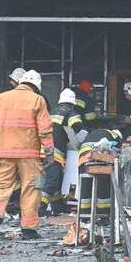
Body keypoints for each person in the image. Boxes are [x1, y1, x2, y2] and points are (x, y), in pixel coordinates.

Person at [0, 70, 53, 241]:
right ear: (36, 85)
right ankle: (28, 229)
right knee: (31, 188)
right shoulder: (37, 99)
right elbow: (45, 129)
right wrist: (49, 151)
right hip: (29, 154)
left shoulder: (1, 98)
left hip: (2, 152)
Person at [41, 88, 83, 216]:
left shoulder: (51, 112)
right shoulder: (70, 112)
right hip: (55, 153)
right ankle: (40, 206)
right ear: (72, 102)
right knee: (52, 180)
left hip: (42, 150)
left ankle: (58, 207)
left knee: (57, 180)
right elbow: (77, 125)